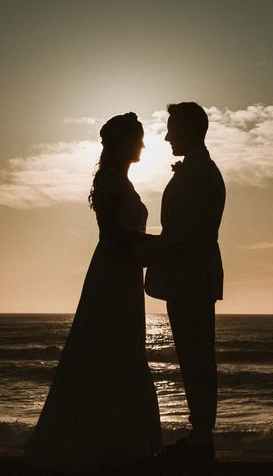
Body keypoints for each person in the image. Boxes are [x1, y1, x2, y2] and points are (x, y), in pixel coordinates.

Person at [24, 112, 162, 472]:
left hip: (123, 272)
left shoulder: (120, 181)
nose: (143, 145)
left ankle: (119, 437)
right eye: (137, 138)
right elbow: (116, 239)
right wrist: (162, 248)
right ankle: (109, 440)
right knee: (108, 348)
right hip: (114, 274)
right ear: (122, 144)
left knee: (121, 349)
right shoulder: (110, 182)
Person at [138, 101, 225, 463]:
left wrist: (139, 249)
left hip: (191, 277)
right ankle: (199, 434)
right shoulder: (196, 169)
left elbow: (182, 235)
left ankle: (202, 437)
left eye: (173, 127)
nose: (167, 134)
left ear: (190, 130)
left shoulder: (199, 173)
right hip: (189, 276)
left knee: (196, 358)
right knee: (194, 357)